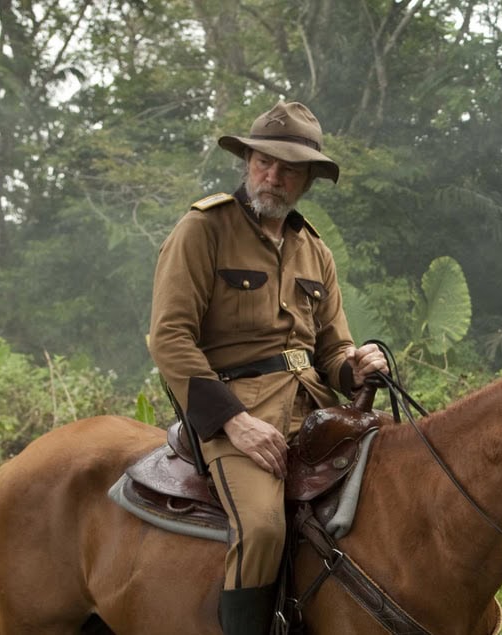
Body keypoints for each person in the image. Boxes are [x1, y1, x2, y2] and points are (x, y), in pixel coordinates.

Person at [148, 100, 389, 634]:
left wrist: (356, 367)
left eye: (289, 169)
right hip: (235, 413)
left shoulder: (315, 251)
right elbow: (169, 338)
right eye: (264, 162)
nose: (273, 177)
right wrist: (234, 423)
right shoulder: (203, 229)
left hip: (315, 409)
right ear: (247, 162)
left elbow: (332, 351)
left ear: (308, 179)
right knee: (261, 527)